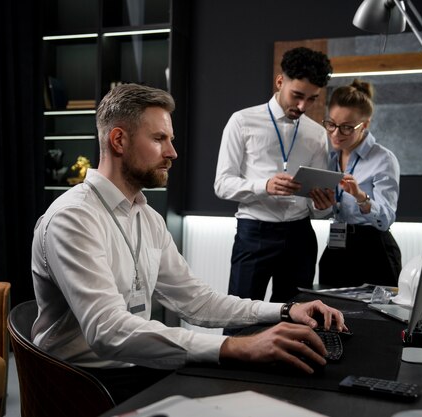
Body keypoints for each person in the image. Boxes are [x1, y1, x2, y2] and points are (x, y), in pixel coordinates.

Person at [31, 83, 347, 404]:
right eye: (159, 139)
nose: (172, 153)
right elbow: (109, 331)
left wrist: (284, 310)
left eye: (171, 140)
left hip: (134, 366)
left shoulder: (147, 217)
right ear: (118, 140)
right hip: (80, 382)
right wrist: (235, 346)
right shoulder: (73, 218)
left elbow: (197, 301)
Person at [214, 47, 333, 313]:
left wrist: (324, 205)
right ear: (280, 82)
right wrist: (264, 186)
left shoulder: (316, 134)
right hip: (255, 233)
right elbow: (222, 184)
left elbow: (319, 208)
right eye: (297, 96)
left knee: (297, 320)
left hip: (300, 236)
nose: (303, 107)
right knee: (240, 315)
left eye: (311, 99)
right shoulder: (242, 121)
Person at [311, 79, 401, 288]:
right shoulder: (330, 158)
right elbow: (328, 210)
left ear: (365, 124)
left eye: (346, 128)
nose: (335, 133)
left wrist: (361, 197)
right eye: (331, 124)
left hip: (374, 250)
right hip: (336, 246)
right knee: (330, 316)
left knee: (374, 320)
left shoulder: (383, 159)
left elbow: (386, 218)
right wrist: (322, 205)